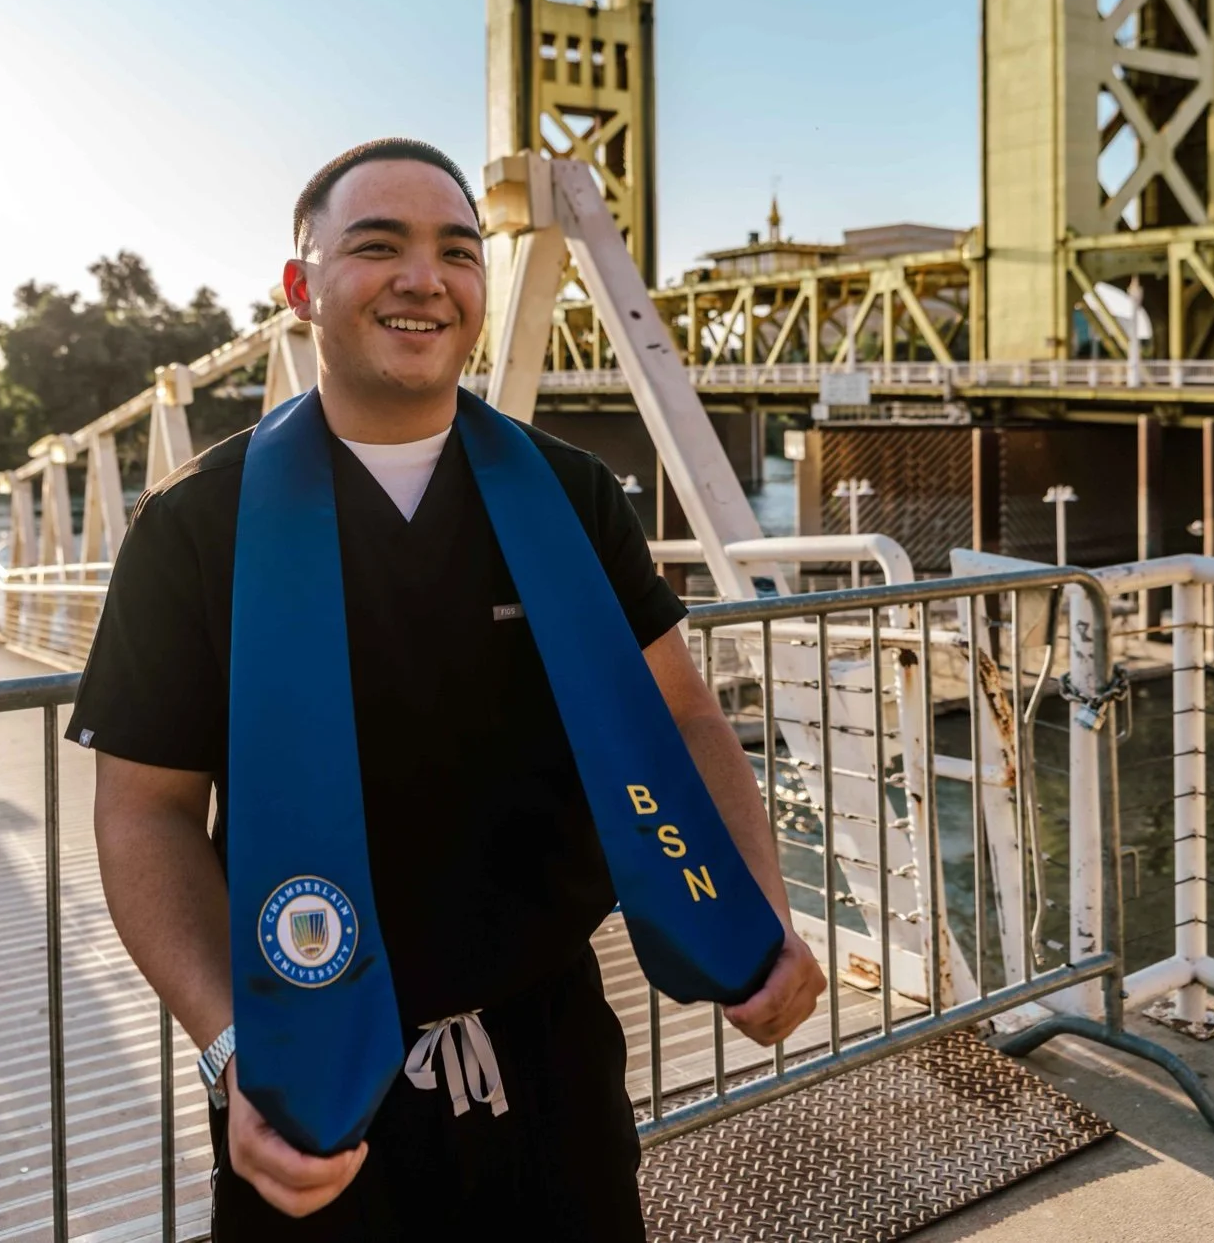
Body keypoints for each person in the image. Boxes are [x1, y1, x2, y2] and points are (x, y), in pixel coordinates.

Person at [72, 138, 824, 1240]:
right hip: (315, 1078)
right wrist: (236, 1051)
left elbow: (683, 717)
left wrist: (758, 907)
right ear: (302, 287)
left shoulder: (570, 496)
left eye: (458, 252)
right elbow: (145, 813)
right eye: (378, 246)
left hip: (553, 1053)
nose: (425, 278)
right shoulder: (196, 527)